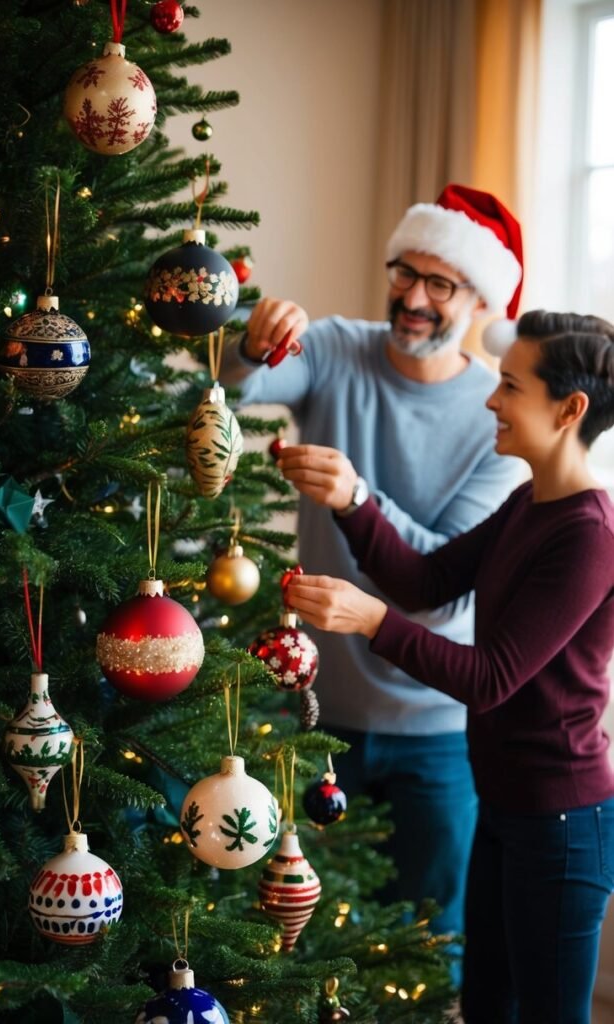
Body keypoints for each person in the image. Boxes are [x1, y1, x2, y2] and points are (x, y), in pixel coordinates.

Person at [283, 310, 614, 1023]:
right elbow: (427, 584)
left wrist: (370, 620)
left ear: (570, 409)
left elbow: (490, 678)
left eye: (511, 386)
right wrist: (353, 498)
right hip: (505, 803)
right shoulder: (529, 501)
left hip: (560, 822)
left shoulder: (589, 535)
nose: (492, 400)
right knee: (487, 1005)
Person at [220, 184, 524, 960]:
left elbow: (435, 578)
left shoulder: (501, 412)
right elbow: (232, 387)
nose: (413, 298)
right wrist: (255, 342)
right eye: (403, 273)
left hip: (438, 727)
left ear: (482, 302)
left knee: (430, 942)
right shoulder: (333, 348)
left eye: (440, 283)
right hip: (316, 711)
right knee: (297, 939)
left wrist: (358, 493)